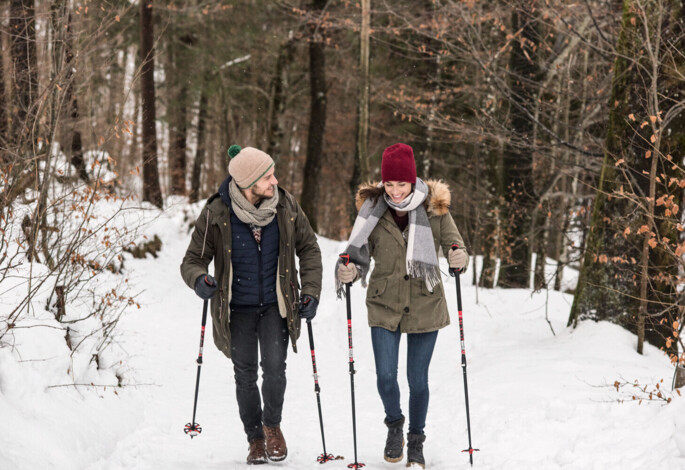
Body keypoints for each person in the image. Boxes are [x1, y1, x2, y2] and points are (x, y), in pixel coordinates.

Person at [181, 145, 322, 465]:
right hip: (237, 309)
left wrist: (311, 291)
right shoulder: (217, 212)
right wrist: (199, 279)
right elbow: (192, 260)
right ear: (249, 183)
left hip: (276, 306)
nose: (275, 181)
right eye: (268, 176)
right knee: (244, 375)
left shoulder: (285, 206)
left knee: (274, 370)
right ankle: (255, 439)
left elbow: (310, 249)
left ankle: (272, 427)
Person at [335, 143, 469, 468]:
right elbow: (355, 254)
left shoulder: (435, 209)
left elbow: (456, 244)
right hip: (384, 303)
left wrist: (458, 256)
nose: (395, 192)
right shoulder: (371, 210)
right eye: (389, 184)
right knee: (385, 377)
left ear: (413, 180)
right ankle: (394, 425)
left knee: (417, 380)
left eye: (402, 184)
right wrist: (348, 270)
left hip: (425, 303)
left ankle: (416, 441)